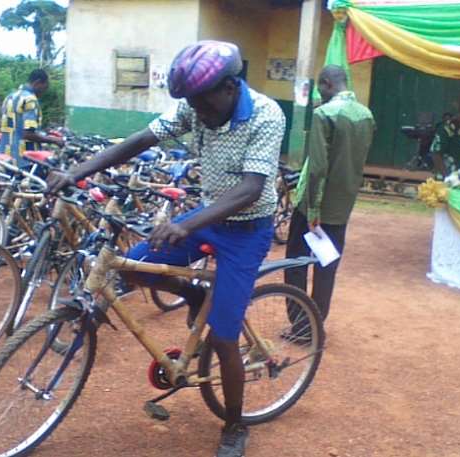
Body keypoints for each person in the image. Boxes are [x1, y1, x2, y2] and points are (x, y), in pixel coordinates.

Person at [47, 41, 285, 457]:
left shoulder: (266, 114)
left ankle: (233, 425)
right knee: (130, 267)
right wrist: (78, 171)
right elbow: (141, 139)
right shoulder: (196, 107)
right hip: (208, 215)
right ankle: (195, 293)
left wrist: (185, 224)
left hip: (247, 231)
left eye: (203, 101)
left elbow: (251, 189)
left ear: (230, 86)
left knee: (225, 338)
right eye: (191, 103)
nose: (198, 111)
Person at [284, 65, 375, 325]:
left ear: (326, 84)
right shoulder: (366, 115)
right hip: (342, 205)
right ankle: (315, 323)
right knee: (327, 266)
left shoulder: (324, 113)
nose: (319, 95)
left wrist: (312, 212)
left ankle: (299, 324)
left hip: (315, 207)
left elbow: (318, 168)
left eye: (320, 89)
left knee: (295, 264)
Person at [0, 69, 64, 165]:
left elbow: (14, 125)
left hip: (5, 157)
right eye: (44, 87)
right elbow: (28, 134)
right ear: (37, 83)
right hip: (24, 159)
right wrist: (53, 140)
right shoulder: (30, 100)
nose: (44, 91)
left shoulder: (9, 97)